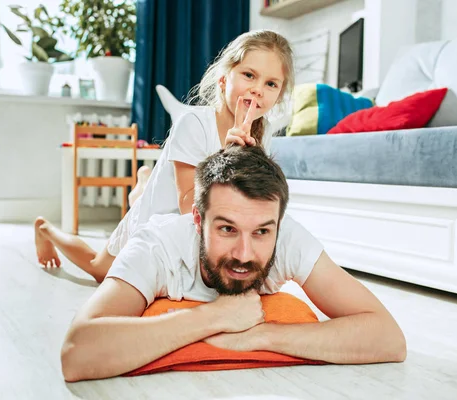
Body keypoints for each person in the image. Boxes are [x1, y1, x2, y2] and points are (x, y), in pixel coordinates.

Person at [59, 145, 407, 382]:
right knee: (98, 260)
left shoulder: (287, 237)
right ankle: (129, 193)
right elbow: (77, 352)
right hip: (147, 221)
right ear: (199, 220)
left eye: (260, 232)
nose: (244, 253)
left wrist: (261, 335)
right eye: (227, 228)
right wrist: (214, 316)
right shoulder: (156, 246)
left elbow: (389, 338)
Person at [34, 29, 295, 282]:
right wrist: (229, 154)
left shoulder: (264, 131)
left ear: (279, 94)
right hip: (166, 214)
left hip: (206, 229)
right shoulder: (193, 123)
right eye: (249, 75)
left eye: (271, 83)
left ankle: (143, 184)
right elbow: (186, 206)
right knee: (100, 270)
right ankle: (46, 230)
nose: (258, 89)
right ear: (223, 79)